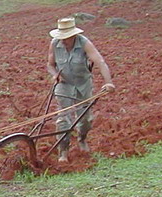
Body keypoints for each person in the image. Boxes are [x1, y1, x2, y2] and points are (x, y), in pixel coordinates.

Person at [46, 16, 115, 162]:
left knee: (85, 119)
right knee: (63, 119)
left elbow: (100, 62)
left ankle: (82, 138)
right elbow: (50, 64)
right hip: (64, 85)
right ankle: (63, 151)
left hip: (83, 85)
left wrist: (108, 82)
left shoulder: (84, 43)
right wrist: (55, 75)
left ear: (74, 35)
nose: (63, 40)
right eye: (61, 37)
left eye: (66, 37)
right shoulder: (54, 43)